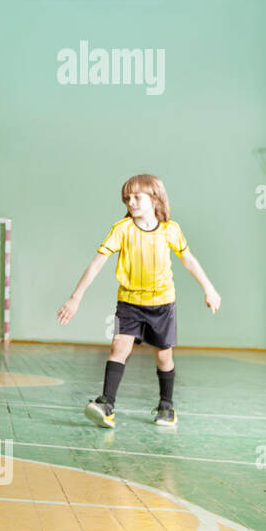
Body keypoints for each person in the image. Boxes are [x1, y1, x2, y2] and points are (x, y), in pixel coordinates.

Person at [57, 174, 220, 427]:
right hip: (129, 303)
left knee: (164, 357)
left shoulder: (170, 230)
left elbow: (189, 260)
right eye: (127, 198)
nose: (130, 202)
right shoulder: (121, 229)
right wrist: (75, 298)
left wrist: (209, 289)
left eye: (136, 197)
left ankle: (166, 406)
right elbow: (96, 263)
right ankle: (107, 403)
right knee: (119, 348)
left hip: (163, 304)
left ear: (155, 199)